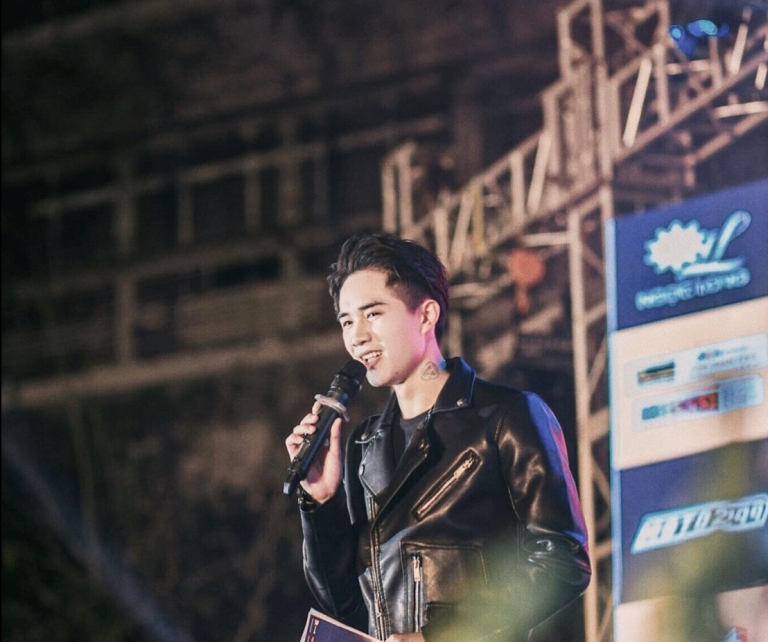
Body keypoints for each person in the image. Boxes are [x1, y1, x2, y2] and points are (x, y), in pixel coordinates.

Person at [285, 233, 591, 642]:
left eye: (372, 314)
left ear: (426, 316)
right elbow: (345, 604)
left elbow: (562, 562)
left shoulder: (505, 416)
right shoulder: (363, 447)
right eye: (346, 321)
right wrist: (320, 502)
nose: (357, 336)